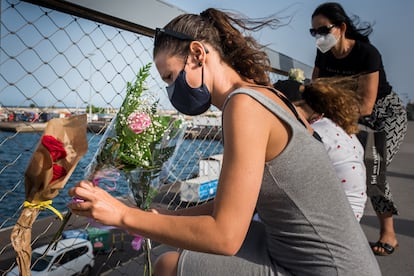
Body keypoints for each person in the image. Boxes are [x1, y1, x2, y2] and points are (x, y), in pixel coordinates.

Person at [68, 8, 381, 275]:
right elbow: (231, 204)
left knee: (167, 265)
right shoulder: (269, 95)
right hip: (335, 258)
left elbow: (225, 236)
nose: (170, 90)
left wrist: (123, 215)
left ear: (197, 54)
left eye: (169, 77)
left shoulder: (243, 106)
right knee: (177, 240)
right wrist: (159, 219)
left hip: (322, 269)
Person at [310, 2, 407, 256]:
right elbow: (315, 93)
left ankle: (389, 233)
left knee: (373, 166)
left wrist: (331, 113)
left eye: (323, 30)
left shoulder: (367, 53)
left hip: (385, 115)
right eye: (314, 32)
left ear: (341, 28)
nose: (318, 37)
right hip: (347, 116)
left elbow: (365, 105)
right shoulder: (323, 54)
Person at [274, 77, 367, 222]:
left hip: (333, 221)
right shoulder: (335, 126)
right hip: (350, 218)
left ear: (292, 107)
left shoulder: (313, 135)